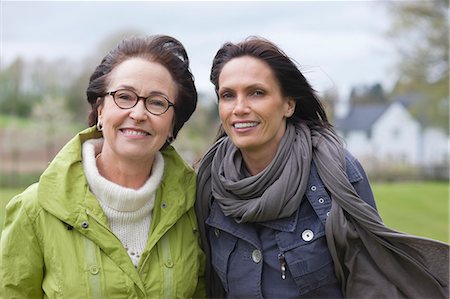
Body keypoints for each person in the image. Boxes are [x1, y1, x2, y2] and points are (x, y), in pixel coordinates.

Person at [195, 36, 449, 298]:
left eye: (256, 93)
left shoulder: (336, 173)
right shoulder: (210, 182)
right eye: (228, 95)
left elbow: (370, 282)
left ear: (288, 104)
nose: (239, 108)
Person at [0, 35, 205, 298]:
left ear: (172, 124)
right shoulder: (35, 210)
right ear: (100, 111)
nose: (138, 114)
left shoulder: (194, 206)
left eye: (156, 102)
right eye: (124, 96)